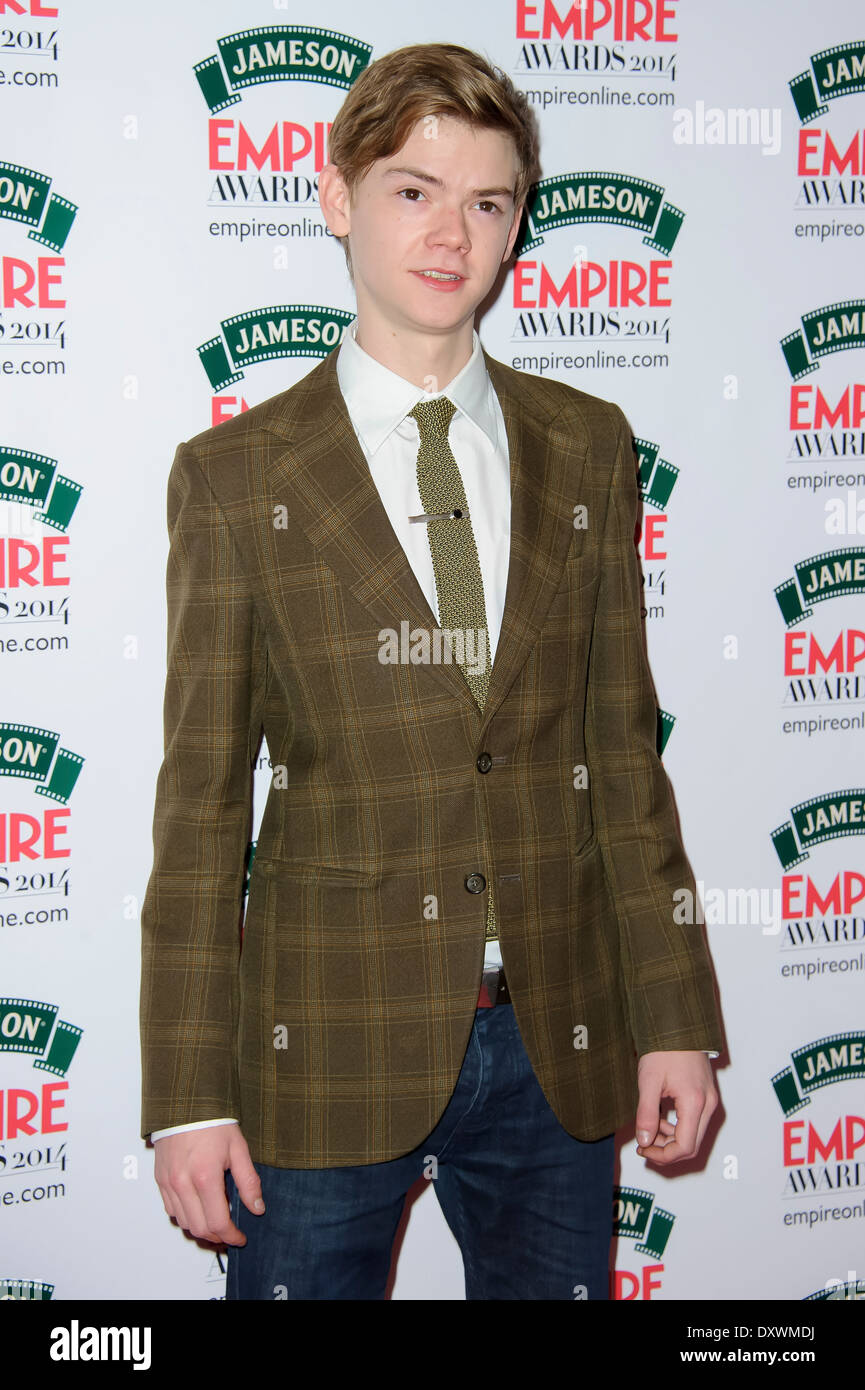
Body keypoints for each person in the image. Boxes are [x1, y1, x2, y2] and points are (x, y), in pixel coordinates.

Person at [139, 42, 724, 1301]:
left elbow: (622, 753)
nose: (452, 233)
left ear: (518, 222)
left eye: (489, 200)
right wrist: (186, 1094)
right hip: (325, 1041)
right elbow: (197, 808)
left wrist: (672, 1011)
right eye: (413, 190)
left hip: (554, 1043)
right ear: (337, 195)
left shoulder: (588, 447)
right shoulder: (236, 480)